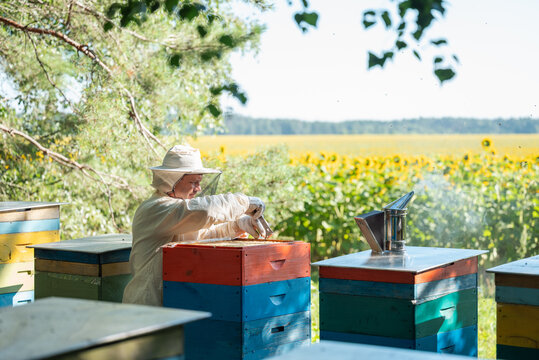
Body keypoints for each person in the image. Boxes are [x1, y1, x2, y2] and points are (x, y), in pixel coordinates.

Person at [122, 145, 265, 306]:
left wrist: (238, 225)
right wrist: (244, 202)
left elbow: (202, 234)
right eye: (194, 182)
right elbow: (204, 211)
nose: (199, 188)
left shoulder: (177, 211)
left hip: (171, 305)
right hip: (147, 307)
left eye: (200, 182)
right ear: (172, 181)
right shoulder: (156, 208)